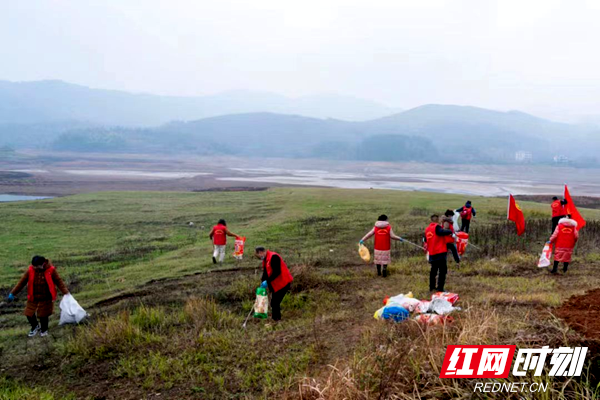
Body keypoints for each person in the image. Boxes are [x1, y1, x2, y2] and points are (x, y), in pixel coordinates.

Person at [6, 256, 69, 337]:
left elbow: (59, 281)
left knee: (43, 316)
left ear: (42, 264)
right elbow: (21, 283)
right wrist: (13, 293)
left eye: (36, 266)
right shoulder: (30, 270)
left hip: (46, 297)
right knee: (28, 313)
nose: (35, 268)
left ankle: (44, 330)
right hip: (33, 296)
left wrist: (65, 292)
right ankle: (35, 326)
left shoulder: (51, 270)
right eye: (34, 266)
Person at [256, 247, 293, 322]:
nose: (259, 257)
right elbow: (266, 272)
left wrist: (267, 282)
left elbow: (277, 272)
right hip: (276, 284)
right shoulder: (266, 259)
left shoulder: (274, 257)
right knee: (274, 303)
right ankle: (275, 319)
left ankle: (277, 320)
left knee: (275, 302)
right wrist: (263, 281)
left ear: (261, 252)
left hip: (283, 283)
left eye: (258, 255)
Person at [424, 215, 454, 292]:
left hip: (432, 253)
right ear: (438, 220)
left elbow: (425, 239)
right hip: (440, 253)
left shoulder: (427, 229)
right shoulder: (437, 227)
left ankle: (432, 287)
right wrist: (450, 232)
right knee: (442, 271)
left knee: (433, 271)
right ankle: (440, 288)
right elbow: (441, 232)